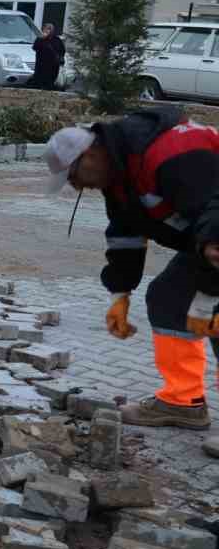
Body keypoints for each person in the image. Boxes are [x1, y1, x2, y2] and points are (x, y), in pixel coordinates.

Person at [43, 108, 219, 458]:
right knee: (168, 300)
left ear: (89, 155)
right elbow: (125, 234)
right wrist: (120, 294)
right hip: (208, 238)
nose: (78, 187)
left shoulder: (172, 153)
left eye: (74, 177)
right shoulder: (120, 173)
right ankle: (183, 402)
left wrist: (206, 294)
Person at [29, 23, 65, 90]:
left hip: (53, 65)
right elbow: (35, 47)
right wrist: (41, 39)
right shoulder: (40, 39)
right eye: (46, 29)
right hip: (41, 64)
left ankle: (50, 87)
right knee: (39, 80)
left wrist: (60, 59)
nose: (48, 31)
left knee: (51, 79)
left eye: (49, 29)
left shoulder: (57, 40)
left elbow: (62, 50)